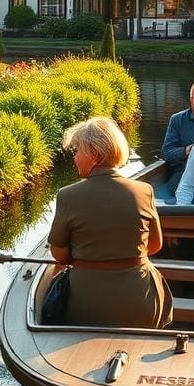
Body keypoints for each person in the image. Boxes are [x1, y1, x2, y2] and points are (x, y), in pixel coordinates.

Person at [48, 117, 173, 328]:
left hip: (86, 305)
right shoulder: (144, 191)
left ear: (94, 154)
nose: (74, 157)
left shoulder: (67, 196)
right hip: (140, 302)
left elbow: (60, 255)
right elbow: (154, 245)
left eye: (77, 151)